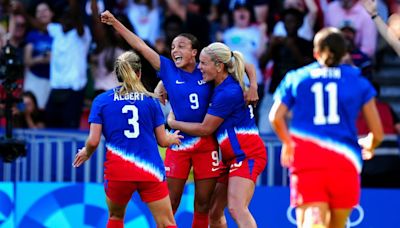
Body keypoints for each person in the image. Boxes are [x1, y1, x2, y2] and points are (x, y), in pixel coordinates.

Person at [101, 10, 258, 228]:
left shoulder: (208, 70)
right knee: (170, 203)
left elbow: (241, 62)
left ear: (194, 52)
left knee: (202, 205)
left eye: (181, 46)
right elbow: (140, 46)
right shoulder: (167, 70)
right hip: (179, 143)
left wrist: (254, 85)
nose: (175, 49)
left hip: (206, 144)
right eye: (173, 46)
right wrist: (115, 23)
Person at [269, 27, 383, 227]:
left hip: (307, 159)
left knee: (309, 222)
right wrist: (370, 145)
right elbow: (378, 133)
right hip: (345, 160)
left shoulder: (297, 77)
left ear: (315, 52)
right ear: (345, 53)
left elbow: (275, 117)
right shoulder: (358, 81)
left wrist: (287, 142)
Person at [72, 51, 182, 228]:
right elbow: (162, 140)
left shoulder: (101, 101)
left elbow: (93, 141)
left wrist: (86, 152)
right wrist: (172, 138)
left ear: (117, 74)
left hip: (119, 170)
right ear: (139, 73)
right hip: (150, 170)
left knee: (116, 217)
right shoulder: (150, 101)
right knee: (166, 222)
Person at [168, 42, 267, 228]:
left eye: (204, 63)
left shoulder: (228, 92)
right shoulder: (223, 80)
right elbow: (247, 64)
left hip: (246, 155)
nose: (199, 67)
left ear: (219, 66)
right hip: (231, 159)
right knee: (214, 211)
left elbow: (205, 129)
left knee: (237, 208)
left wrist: (173, 123)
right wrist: (253, 84)